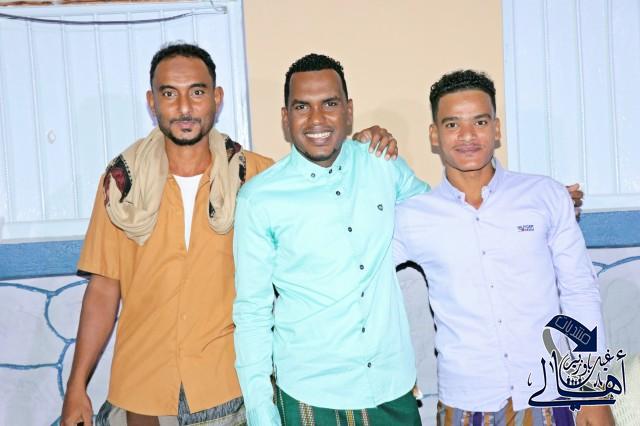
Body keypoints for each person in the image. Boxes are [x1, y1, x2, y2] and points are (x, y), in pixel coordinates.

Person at [60, 43, 398, 426]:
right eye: (169, 94)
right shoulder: (121, 184)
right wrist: (76, 385)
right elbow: (104, 288)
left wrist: (361, 148)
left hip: (230, 391)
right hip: (143, 390)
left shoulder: (259, 178)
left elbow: (325, 198)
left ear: (217, 98)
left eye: (197, 92)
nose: (184, 108)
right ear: (152, 102)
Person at [393, 70, 613, 426]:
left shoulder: (545, 196)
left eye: (480, 122)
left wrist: (594, 391)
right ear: (434, 135)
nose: (467, 135)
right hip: (463, 403)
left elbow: (580, 292)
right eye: (452, 124)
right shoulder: (412, 216)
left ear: (496, 129)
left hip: (547, 395)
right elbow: (359, 276)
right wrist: (362, 155)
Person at [232, 53, 429, 426]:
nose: (317, 119)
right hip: (311, 392)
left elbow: (441, 222)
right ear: (285, 117)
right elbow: (252, 311)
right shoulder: (259, 199)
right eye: (301, 107)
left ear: (349, 111)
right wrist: (260, 409)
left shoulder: (382, 164)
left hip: (392, 383)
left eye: (330, 104)